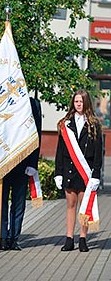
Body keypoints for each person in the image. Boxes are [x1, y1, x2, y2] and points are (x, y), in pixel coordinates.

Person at [55, 89, 103, 252]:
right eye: (76, 101)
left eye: (81, 101)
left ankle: (83, 238)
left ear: (86, 103)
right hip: (69, 169)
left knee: (84, 206)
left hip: (86, 171)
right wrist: (58, 172)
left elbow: (98, 152)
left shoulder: (94, 124)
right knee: (71, 204)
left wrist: (96, 174)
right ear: (73, 103)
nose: (78, 104)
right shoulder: (65, 123)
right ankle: (69, 239)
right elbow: (60, 151)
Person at [0, 97, 41, 251]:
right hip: (1, 161)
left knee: (18, 204)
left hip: (22, 161)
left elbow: (37, 134)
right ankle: (1, 238)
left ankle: (13, 238)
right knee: (0, 203)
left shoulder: (32, 104)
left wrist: (33, 163)